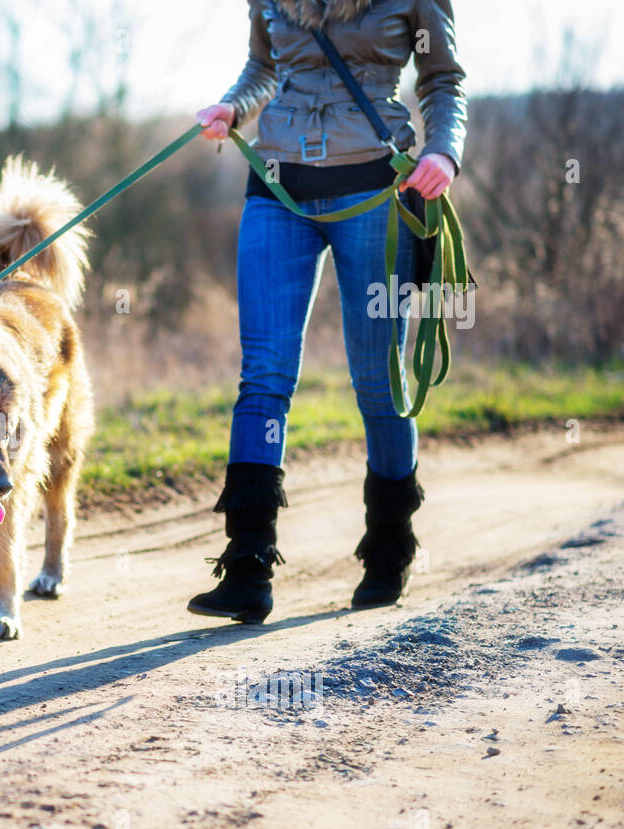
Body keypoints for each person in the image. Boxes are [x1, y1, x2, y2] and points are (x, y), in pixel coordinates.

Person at [188, 0, 467, 624]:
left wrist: (443, 152)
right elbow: (263, 65)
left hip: (375, 186)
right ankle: (248, 564)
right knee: (264, 373)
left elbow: (442, 77)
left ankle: (391, 542)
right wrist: (235, 104)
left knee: (378, 378)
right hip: (278, 183)